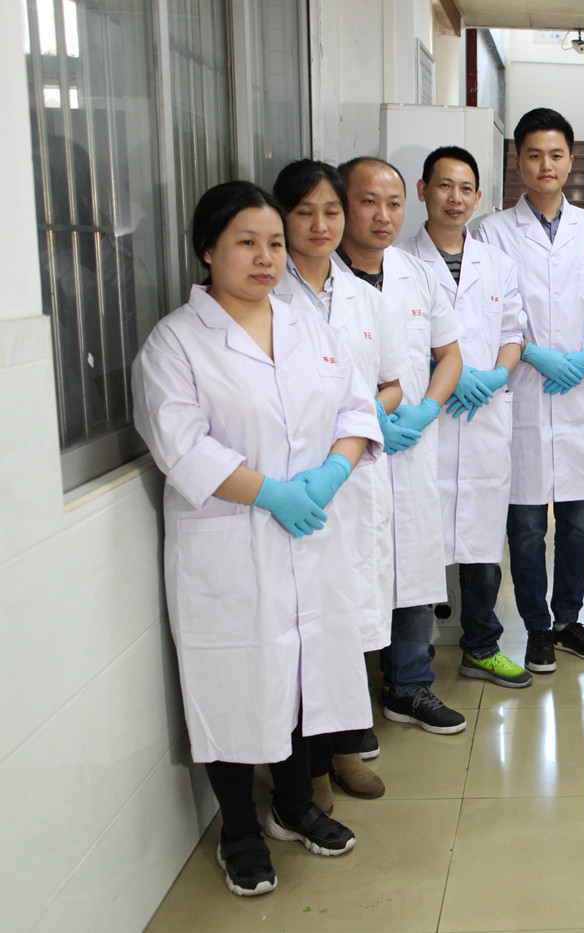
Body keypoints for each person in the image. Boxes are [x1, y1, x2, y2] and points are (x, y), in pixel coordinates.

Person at [132, 181, 378, 896]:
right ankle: (238, 827)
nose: (266, 256)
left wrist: (331, 474)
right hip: (233, 542)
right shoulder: (176, 342)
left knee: (302, 675)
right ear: (208, 250)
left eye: (273, 242)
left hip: (311, 535)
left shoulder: (309, 328)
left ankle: (294, 805)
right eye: (246, 242)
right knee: (235, 681)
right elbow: (182, 445)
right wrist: (272, 493)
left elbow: (356, 409)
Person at [271, 159, 409, 809]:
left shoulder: (366, 298)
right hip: (299, 483)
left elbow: (393, 381)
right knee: (308, 629)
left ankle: (348, 747)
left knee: (351, 622)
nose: (320, 225)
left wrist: (361, 417)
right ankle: (311, 771)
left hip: (353, 477)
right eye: (305, 212)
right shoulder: (269, 297)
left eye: (330, 211)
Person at [476, 107, 584, 673]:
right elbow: (493, 310)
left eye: (556, 154)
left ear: (571, 161)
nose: (546, 165)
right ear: (518, 161)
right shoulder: (491, 230)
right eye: (534, 155)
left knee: (579, 524)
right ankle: (537, 626)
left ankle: (568, 621)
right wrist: (535, 353)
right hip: (523, 386)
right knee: (527, 525)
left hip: (581, 388)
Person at [337, 156, 467, 733]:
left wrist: (427, 407)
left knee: (412, 563)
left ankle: (410, 686)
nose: (383, 216)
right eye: (368, 202)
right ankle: (345, 709)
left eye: (393, 204)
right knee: (349, 569)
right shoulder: (314, 282)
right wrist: (370, 421)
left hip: (411, 445)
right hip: (346, 455)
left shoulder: (417, 273)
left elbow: (450, 354)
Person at [405, 145, 531, 688]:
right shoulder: (400, 264)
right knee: (418, 543)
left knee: (482, 538)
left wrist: (496, 376)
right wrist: (449, 374)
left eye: (465, 189)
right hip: (428, 417)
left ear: (478, 197)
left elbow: (513, 332)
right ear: (423, 191)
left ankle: (481, 647)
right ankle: (408, 665)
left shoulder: (498, 265)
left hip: (483, 416)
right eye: (444, 186)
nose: (454, 198)